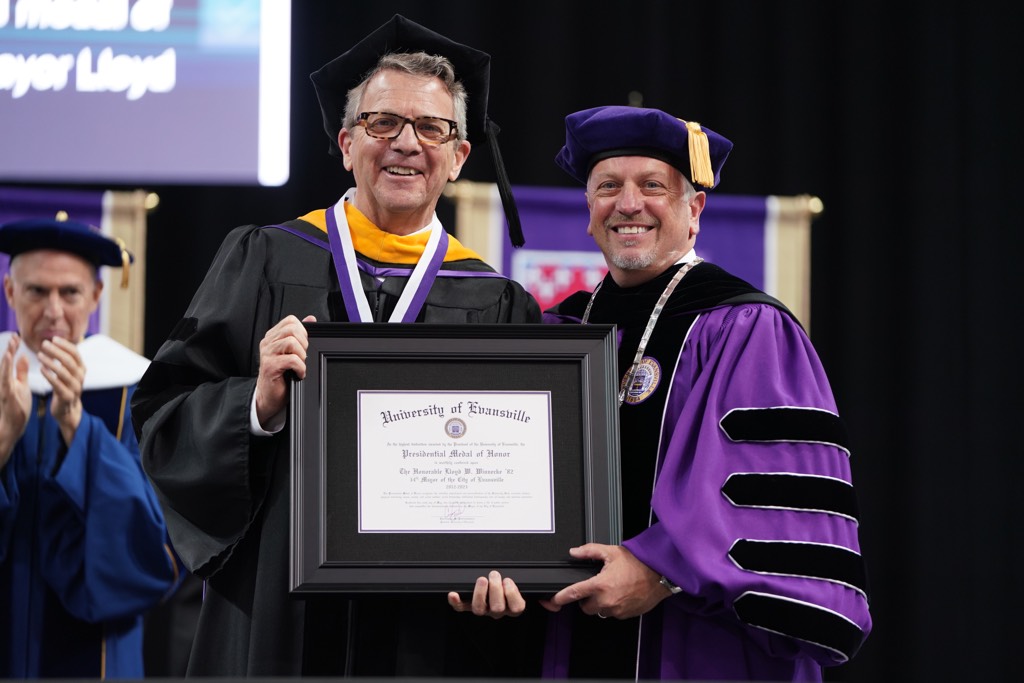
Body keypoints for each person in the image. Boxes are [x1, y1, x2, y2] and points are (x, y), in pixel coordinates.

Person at [130, 14, 542, 677]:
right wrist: (256, 405)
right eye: (383, 124)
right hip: (279, 607)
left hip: (429, 625)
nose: (406, 143)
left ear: (459, 156)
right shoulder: (264, 258)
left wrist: (516, 569)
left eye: (431, 127)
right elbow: (162, 413)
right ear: (347, 142)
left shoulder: (494, 302)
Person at [449, 105, 872, 681]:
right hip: (565, 636)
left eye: (653, 186)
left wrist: (659, 570)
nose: (628, 204)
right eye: (608, 187)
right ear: (589, 211)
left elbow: (767, 503)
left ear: (693, 210)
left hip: (701, 644)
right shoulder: (554, 332)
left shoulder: (747, 328)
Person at [0, 216, 180, 678]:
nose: (53, 310)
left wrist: (76, 427)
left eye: (70, 292)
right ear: (10, 292)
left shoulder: (135, 391)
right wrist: (4, 441)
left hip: (96, 649)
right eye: (37, 291)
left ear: (97, 296)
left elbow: (151, 547)